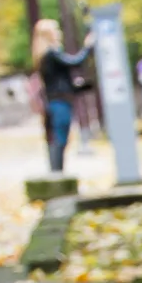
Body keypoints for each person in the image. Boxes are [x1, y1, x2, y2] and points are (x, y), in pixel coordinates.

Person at [30, 18, 94, 172]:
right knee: (60, 138)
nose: (59, 33)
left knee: (59, 137)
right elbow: (74, 62)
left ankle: (57, 172)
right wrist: (88, 47)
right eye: (56, 30)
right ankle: (57, 174)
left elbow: (60, 79)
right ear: (48, 34)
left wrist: (79, 87)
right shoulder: (51, 54)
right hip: (60, 102)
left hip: (57, 100)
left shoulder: (44, 55)